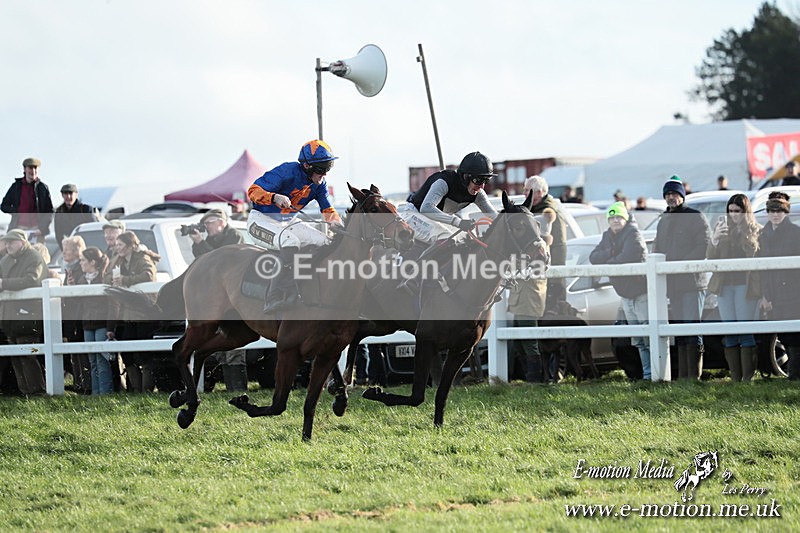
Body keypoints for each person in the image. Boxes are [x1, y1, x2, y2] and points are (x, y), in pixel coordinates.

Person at [246, 139, 343, 313]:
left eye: (328, 168)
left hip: (288, 222)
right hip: (261, 220)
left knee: (326, 242)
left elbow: (327, 208)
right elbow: (252, 191)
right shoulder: (286, 171)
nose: (324, 174)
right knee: (291, 242)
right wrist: (274, 197)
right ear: (307, 166)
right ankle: (273, 296)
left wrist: (334, 222)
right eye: (321, 169)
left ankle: (308, 288)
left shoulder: (320, 185)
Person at [653, 176, 710, 379]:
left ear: (682, 196)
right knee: (680, 329)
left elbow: (703, 245)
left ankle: (694, 375)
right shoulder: (663, 220)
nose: (671, 198)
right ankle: (684, 376)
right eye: (668, 194)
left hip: (692, 282)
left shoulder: (695, 216)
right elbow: (658, 247)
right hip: (674, 283)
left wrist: (679, 265)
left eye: (674, 194)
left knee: (692, 327)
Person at [187, 208, 247, 391]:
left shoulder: (234, 236)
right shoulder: (210, 241)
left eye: (210, 223)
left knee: (235, 342)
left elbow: (220, 260)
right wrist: (198, 243)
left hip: (235, 297)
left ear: (222, 222)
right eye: (205, 224)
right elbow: (203, 263)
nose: (207, 227)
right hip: (219, 298)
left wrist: (201, 243)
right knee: (221, 342)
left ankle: (237, 388)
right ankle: (225, 386)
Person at [589, 202, 651, 380]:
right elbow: (594, 257)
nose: (615, 221)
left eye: (618, 217)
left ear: (625, 218)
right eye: (612, 217)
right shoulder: (607, 236)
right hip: (625, 294)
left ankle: (654, 375)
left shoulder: (633, 233)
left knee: (648, 337)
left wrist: (608, 260)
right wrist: (612, 252)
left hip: (641, 292)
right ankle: (646, 375)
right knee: (637, 339)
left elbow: (629, 255)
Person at [706, 194, 760, 382]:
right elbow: (710, 258)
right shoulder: (722, 231)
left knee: (745, 331)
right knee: (730, 332)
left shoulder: (755, 231)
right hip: (725, 286)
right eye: (730, 211)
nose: (733, 215)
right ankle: (735, 378)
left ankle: (748, 378)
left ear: (745, 212)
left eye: (737, 211)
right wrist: (714, 240)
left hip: (746, 287)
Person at [400, 151, 498, 244]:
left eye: (486, 181)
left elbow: (495, 217)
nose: (482, 186)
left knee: (470, 239)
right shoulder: (443, 182)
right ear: (465, 177)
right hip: (414, 215)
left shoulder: (478, 194)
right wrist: (458, 222)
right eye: (479, 180)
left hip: (435, 219)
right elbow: (426, 208)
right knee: (446, 237)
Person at [105, 231, 161, 392]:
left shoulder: (143, 258)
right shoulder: (118, 260)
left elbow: (148, 275)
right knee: (128, 353)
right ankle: (136, 388)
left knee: (145, 353)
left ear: (130, 246)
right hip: (126, 312)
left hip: (144, 311)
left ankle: (147, 389)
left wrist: (126, 280)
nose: (118, 248)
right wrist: (115, 280)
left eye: (121, 245)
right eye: (117, 245)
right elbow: (107, 276)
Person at [757, 191, 800, 379]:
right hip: (771, 289)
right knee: (781, 334)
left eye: (779, 211)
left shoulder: (795, 233)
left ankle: (794, 375)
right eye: (772, 210)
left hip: (792, 290)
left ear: (786, 212)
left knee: (794, 336)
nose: (775, 214)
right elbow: (760, 267)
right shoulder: (763, 234)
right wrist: (764, 294)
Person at [0, 229, 48, 395]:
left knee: (28, 353)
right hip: (10, 316)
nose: (7, 245)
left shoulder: (34, 257)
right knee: (15, 354)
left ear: (21, 242)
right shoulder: (6, 260)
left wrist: (3, 284)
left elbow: (32, 279)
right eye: (6, 242)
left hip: (29, 315)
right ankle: (25, 391)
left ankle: (36, 391)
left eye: (11, 242)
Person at [522, 175, 566, 309]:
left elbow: (559, 246)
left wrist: (556, 279)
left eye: (527, 190)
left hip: (548, 275)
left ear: (539, 192)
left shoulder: (551, 212)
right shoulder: (532, 209)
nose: (524, 194)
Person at [78, 247, 116, 394]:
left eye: (83, 260)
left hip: (101, 324)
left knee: (102, 359)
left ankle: (105, 392)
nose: (81, 263)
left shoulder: (103, 278)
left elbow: (112, 304)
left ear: (92, 262)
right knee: (93, 361)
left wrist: (110, 327)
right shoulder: (82, 280)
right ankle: (96, 392)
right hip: (87, 324)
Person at [61, 236, 91, 393]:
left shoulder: (81, 268)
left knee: (82, 350)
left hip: (80, 314)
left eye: (67, 250)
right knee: (75, 350)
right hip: (72, 314)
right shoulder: (69, 268)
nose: (64, 252)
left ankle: (85, 384)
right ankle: (80, 383)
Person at [1, 157, 54, 243]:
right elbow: (3, 206)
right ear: (24, 169)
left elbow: (50, 211)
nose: (33, 170)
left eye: (35, 168)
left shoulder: (43, 188)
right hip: (19, 229)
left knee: (39, 254)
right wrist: (16, 210)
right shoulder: (16, 187)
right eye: (30, 168)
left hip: (37, 230)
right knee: (17, 254)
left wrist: (42, 228)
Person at [54, 183, 98, 249]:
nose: (68, 196)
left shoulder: (85, 209)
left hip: (86, 248)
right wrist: (65, 250)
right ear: (62, 195)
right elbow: (58, 235)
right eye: (66, 194)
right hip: (70, 250)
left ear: (76, 194)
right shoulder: (59, 212)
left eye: (71, 193)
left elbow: (95, 232)